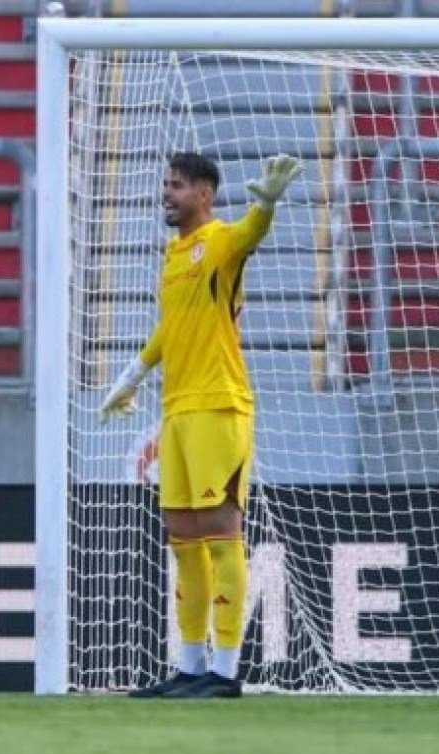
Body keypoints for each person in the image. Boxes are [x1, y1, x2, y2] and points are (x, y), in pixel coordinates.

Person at [100, 151, 302, 699]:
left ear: (205, 194)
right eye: (165, 183)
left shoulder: (219, 243)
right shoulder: (174, 253)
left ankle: (227, 671)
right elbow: (171, 328)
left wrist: (266, 203)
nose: (167, 193)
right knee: (184, 546)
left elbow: (249, 234)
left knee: (222, 540)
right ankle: (189, 668)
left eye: (178, 185)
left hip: (219, 408)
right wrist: (133, 375)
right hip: (178, 412)